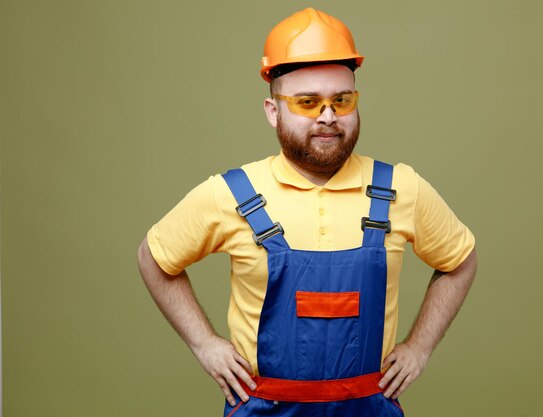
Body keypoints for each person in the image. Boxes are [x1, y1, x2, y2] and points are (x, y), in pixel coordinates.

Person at [137, 7, 477, 417]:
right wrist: (204, 344)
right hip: (262, 407)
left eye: (342, 100)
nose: (328, 116)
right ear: (273, 110)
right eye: (307, 102)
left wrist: (419, 348)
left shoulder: (401, 188)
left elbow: (460, 261)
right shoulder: (230, 194)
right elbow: (153, 258)